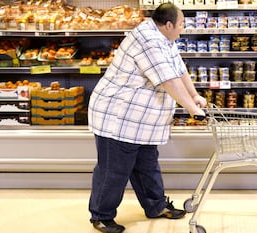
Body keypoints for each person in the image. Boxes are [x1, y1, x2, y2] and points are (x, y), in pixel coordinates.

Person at [87, 2, 207, 233]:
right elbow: (167, 80)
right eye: (182, 24)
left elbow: (178, 70)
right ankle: (101, 216)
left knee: (147, 165)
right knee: (114, 170)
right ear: (168, 24)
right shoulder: (149, 41)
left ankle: (155, 206)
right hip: (119, 116)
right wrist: (192, 109)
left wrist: (194, 95)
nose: (184, 28)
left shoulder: (164, 38)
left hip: (141, 120)